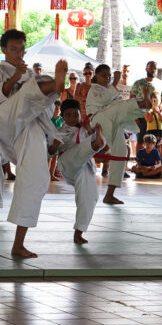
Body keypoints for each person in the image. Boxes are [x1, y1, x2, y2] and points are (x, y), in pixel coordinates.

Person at [0, 30, 67, 258]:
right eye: (13, 49)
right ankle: (56, 85)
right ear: (4, 50)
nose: (18, 53)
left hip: (28, 124)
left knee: (37, 176)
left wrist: (52, 137)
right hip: (3, 119)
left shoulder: (29, 75)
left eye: (21, 49)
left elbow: (42, 108)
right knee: (26, 94)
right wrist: (15, 78)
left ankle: (18, 244)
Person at [87, 64, 150, 205]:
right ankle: (143, 103)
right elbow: (105, 100)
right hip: (99, 119)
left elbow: (119, 103)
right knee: (121, 106)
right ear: (95, 76)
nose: (107, 78)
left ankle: (109, 195)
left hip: (112, 121)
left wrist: (131, 114)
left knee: (121, 154)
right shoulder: (94, 89)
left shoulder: (111, 90)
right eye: (104, 75)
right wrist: (115, 81)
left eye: (109, 75)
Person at [49, 98, 106, 244]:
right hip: (67, 163)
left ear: (81, 114)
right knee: (87, 147)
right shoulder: (60, 131)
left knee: (90, 196)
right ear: (63, 117)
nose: (73, 118)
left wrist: (89, 130)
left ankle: (78, 232)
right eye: (68, 115)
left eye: (76, 114)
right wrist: (54, 146)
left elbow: (102, 148)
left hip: (83, 167)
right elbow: (49, 152)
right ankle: (96, 143)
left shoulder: (84, 130)